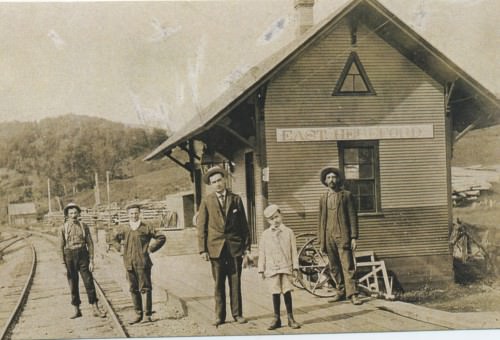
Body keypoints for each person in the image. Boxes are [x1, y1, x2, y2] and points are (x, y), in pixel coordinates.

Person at [197, 166, 250, 327]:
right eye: (214, 182)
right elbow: (202, 227)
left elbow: (244, 226)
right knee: (218, 283)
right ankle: (219, 316)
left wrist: (246, 248)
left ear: (224, 180)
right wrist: (202, 249)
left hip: (234, 248)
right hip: (215, 248)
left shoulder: (236, 199)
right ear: (211, 185)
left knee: (235, 282)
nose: (218, 184)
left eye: (219, 180)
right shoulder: (207, 201)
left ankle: (237, 314)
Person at [114, 203, 166, 324]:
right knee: (133, 289)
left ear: (139, 214)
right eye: (131, 213)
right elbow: (112, 238)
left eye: (136, 213)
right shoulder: (124, 228)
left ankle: (147, 315)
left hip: (143, 262)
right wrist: (119, 248)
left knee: (145, 288)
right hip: (128, 263)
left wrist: (151, 248)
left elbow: (161, 237)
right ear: (128, 215)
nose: (134, 215)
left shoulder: (146, 227)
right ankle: (138, 314)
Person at [318, 167, 363, 305]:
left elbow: (352, 217)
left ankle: (353, 294)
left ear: (338, 179)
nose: (332, 180)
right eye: (329, 178)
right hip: (328, 237)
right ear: (325, 181)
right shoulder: (323, 198)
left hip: (343, 236)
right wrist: (321, 241)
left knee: (347, 265)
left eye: (334, 177)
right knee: (334, 267)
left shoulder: (346, 195)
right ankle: (341, 291)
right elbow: (321, 220)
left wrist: (354, 237)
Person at [58, 202, 106, 319]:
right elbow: (60, 247)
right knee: (73, 284)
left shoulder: (84, 226)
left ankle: (95, 308)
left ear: (78, 213)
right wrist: (63, 264)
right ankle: (76, 309)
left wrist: (91, 260)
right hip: (69, 255)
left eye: (75, 213)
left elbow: (90, 243)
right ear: (67, 215)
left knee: (89, 282)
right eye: (71, 213)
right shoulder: (62, 228)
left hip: (83, 254)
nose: (73, 215)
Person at [258, 204, 301, 330]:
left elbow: (294, 251)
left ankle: (290, 317)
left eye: (276, 217)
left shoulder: (288, 232)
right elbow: (262, 252)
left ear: (281, 215)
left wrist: (295, 267)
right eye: (271, 219)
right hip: (272, 268)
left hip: (286, 266)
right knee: (275, 292)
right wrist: (261, 269)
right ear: (267, 221)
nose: (275, 220)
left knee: (287, 291)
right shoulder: (265, 235)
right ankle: (276, 317)